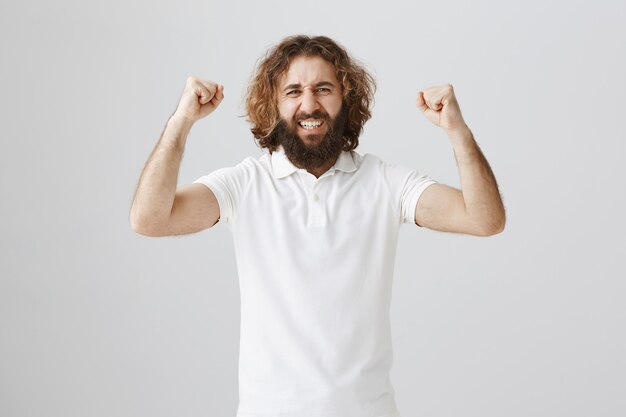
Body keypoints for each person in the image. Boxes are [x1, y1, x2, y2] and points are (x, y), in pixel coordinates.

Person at [130, 35, 505, 417]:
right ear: (274, 105)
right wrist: (181, 122)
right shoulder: (244, 185)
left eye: (323, 89)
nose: (309, 104)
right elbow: (150, 218)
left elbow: (484, 219)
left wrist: (457, 131)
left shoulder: (385, 182)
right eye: (293, 91)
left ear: (346, 99)